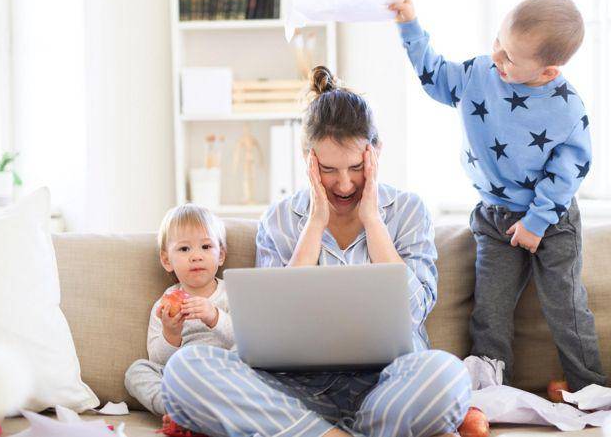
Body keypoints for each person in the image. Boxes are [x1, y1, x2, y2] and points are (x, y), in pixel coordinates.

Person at [160, 66, 472, 437]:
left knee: (448, 377)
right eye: (328, 169)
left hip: (387, 386)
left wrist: (373, 220)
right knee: (185, 371)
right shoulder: (279, 219)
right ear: (308, 160)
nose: (344, 184)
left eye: (356, 167)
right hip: (292, 390)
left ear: (376, 152)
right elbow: (271, 329)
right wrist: (315, 222)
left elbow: (413, 312)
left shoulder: (407, 211)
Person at [389, 0, 607, 392]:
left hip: (552, 220)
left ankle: (590, 386)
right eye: (498, 44)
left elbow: (569, 170)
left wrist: (537, 222)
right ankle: (488, 388)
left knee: (565, 306)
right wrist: (409, 24)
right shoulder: (479, 74)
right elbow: (434, 76)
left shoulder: (566, 109)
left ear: (547, 72)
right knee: (490, 309)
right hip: (495, 217)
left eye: (510, 58)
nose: (497, 59)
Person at [124, 204, 233, 416]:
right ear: (167, 260)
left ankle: (199, 412)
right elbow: (158, 360)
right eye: (184, 249)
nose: (196, 256)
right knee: (136, 371)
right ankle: (176, 411)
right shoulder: (164, 305)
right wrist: (171, 334)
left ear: (221, 255)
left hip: (222, 371)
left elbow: (246, 342)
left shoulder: (231, 293)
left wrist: (215, 317)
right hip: (182, 380)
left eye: (206, 247)